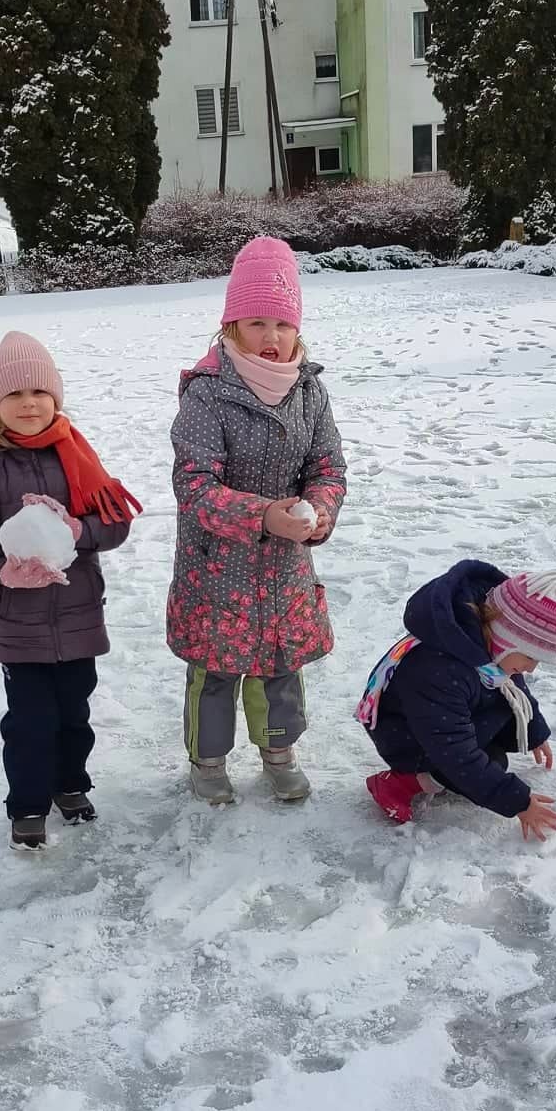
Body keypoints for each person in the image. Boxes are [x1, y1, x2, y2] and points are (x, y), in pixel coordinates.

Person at [0, 332, 141, 851]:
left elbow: (115, 524)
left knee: (75, 712)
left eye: (39, 393)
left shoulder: (76, 454)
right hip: (16, 620)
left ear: (56, 398)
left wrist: (80, 531)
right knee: (30, 720)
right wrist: (1, 571)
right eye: (14, 396)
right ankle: (27, 804)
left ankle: (70, 783)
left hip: (77, 614)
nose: (28, 404)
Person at [167, 236, 347, 806]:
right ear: (230, 328)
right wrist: (263, 514)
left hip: (285, 567)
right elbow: (194, 486)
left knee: (280, 666)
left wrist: (319, 508)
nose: (271, 339)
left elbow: (329, 464)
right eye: (256, 323)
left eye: (282, 324)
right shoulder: (208, 395)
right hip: (217, 568)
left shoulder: (309, 391)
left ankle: (278, 752)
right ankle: (209, 760)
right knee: (215, 673)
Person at [358, 562, 556, 841]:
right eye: (530, 656)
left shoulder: (484, 642)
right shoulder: (438, 670)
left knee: (494, 751)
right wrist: (518, 802)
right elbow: (454, 751)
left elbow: (513, 684)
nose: (532, 668)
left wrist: (534, 729)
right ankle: (401, 783)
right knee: (486, 762)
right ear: (508, 638)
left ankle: (465, 765)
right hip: (407, 735)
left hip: (443, 715)